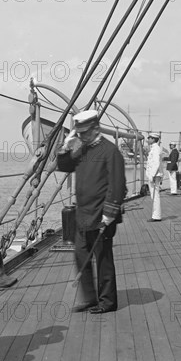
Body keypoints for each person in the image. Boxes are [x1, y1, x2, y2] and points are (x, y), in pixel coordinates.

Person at [57, 110, 126, 314]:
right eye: (79, 133)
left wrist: (110, 213)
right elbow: (65, 166)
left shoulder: (110, 151)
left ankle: (107, 301)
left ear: (96, 129)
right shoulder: (82, 149)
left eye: (85, 132)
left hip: (101, 215)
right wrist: (65, 147)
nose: (82, 136)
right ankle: (89, 298)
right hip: (83, 214)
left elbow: (117, 184)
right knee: (81, 256)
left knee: (103, 258)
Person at [145, 132, 163, 221]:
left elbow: (156, 163)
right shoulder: (154, 148)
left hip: (155, 175)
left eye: (149, 138)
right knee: (154, 195)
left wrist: (151, 175)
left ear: (153, 139)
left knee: (155, 196)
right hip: (154, 175)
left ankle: (156, 216)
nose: (148, 139)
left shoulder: (155, 149)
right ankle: (155, 215)